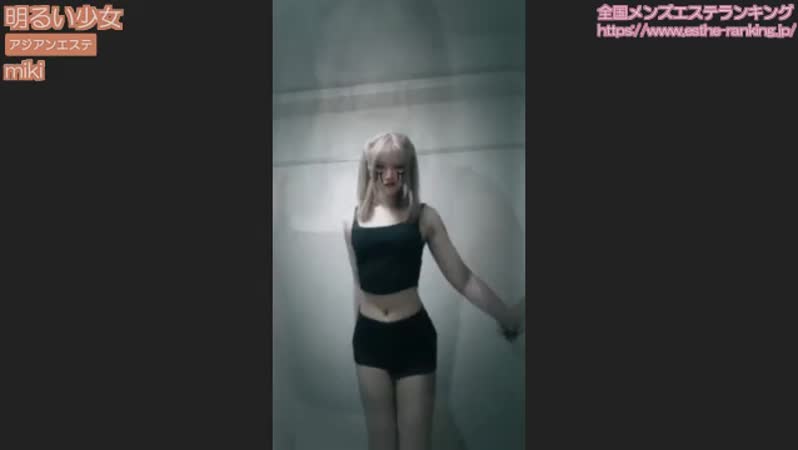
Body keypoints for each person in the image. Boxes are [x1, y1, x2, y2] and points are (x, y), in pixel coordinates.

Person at [343, 132, 524, 450]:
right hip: (369, 341)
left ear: (408, 168)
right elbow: (359, 283)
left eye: (398, 168)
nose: (390, 176)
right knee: (380, 444)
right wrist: (358, 336)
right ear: (369, 168)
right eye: (381, 168)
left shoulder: (424, 216)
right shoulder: (352, 221)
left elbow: (462, 277)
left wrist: (506, 315)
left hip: (414, 338)